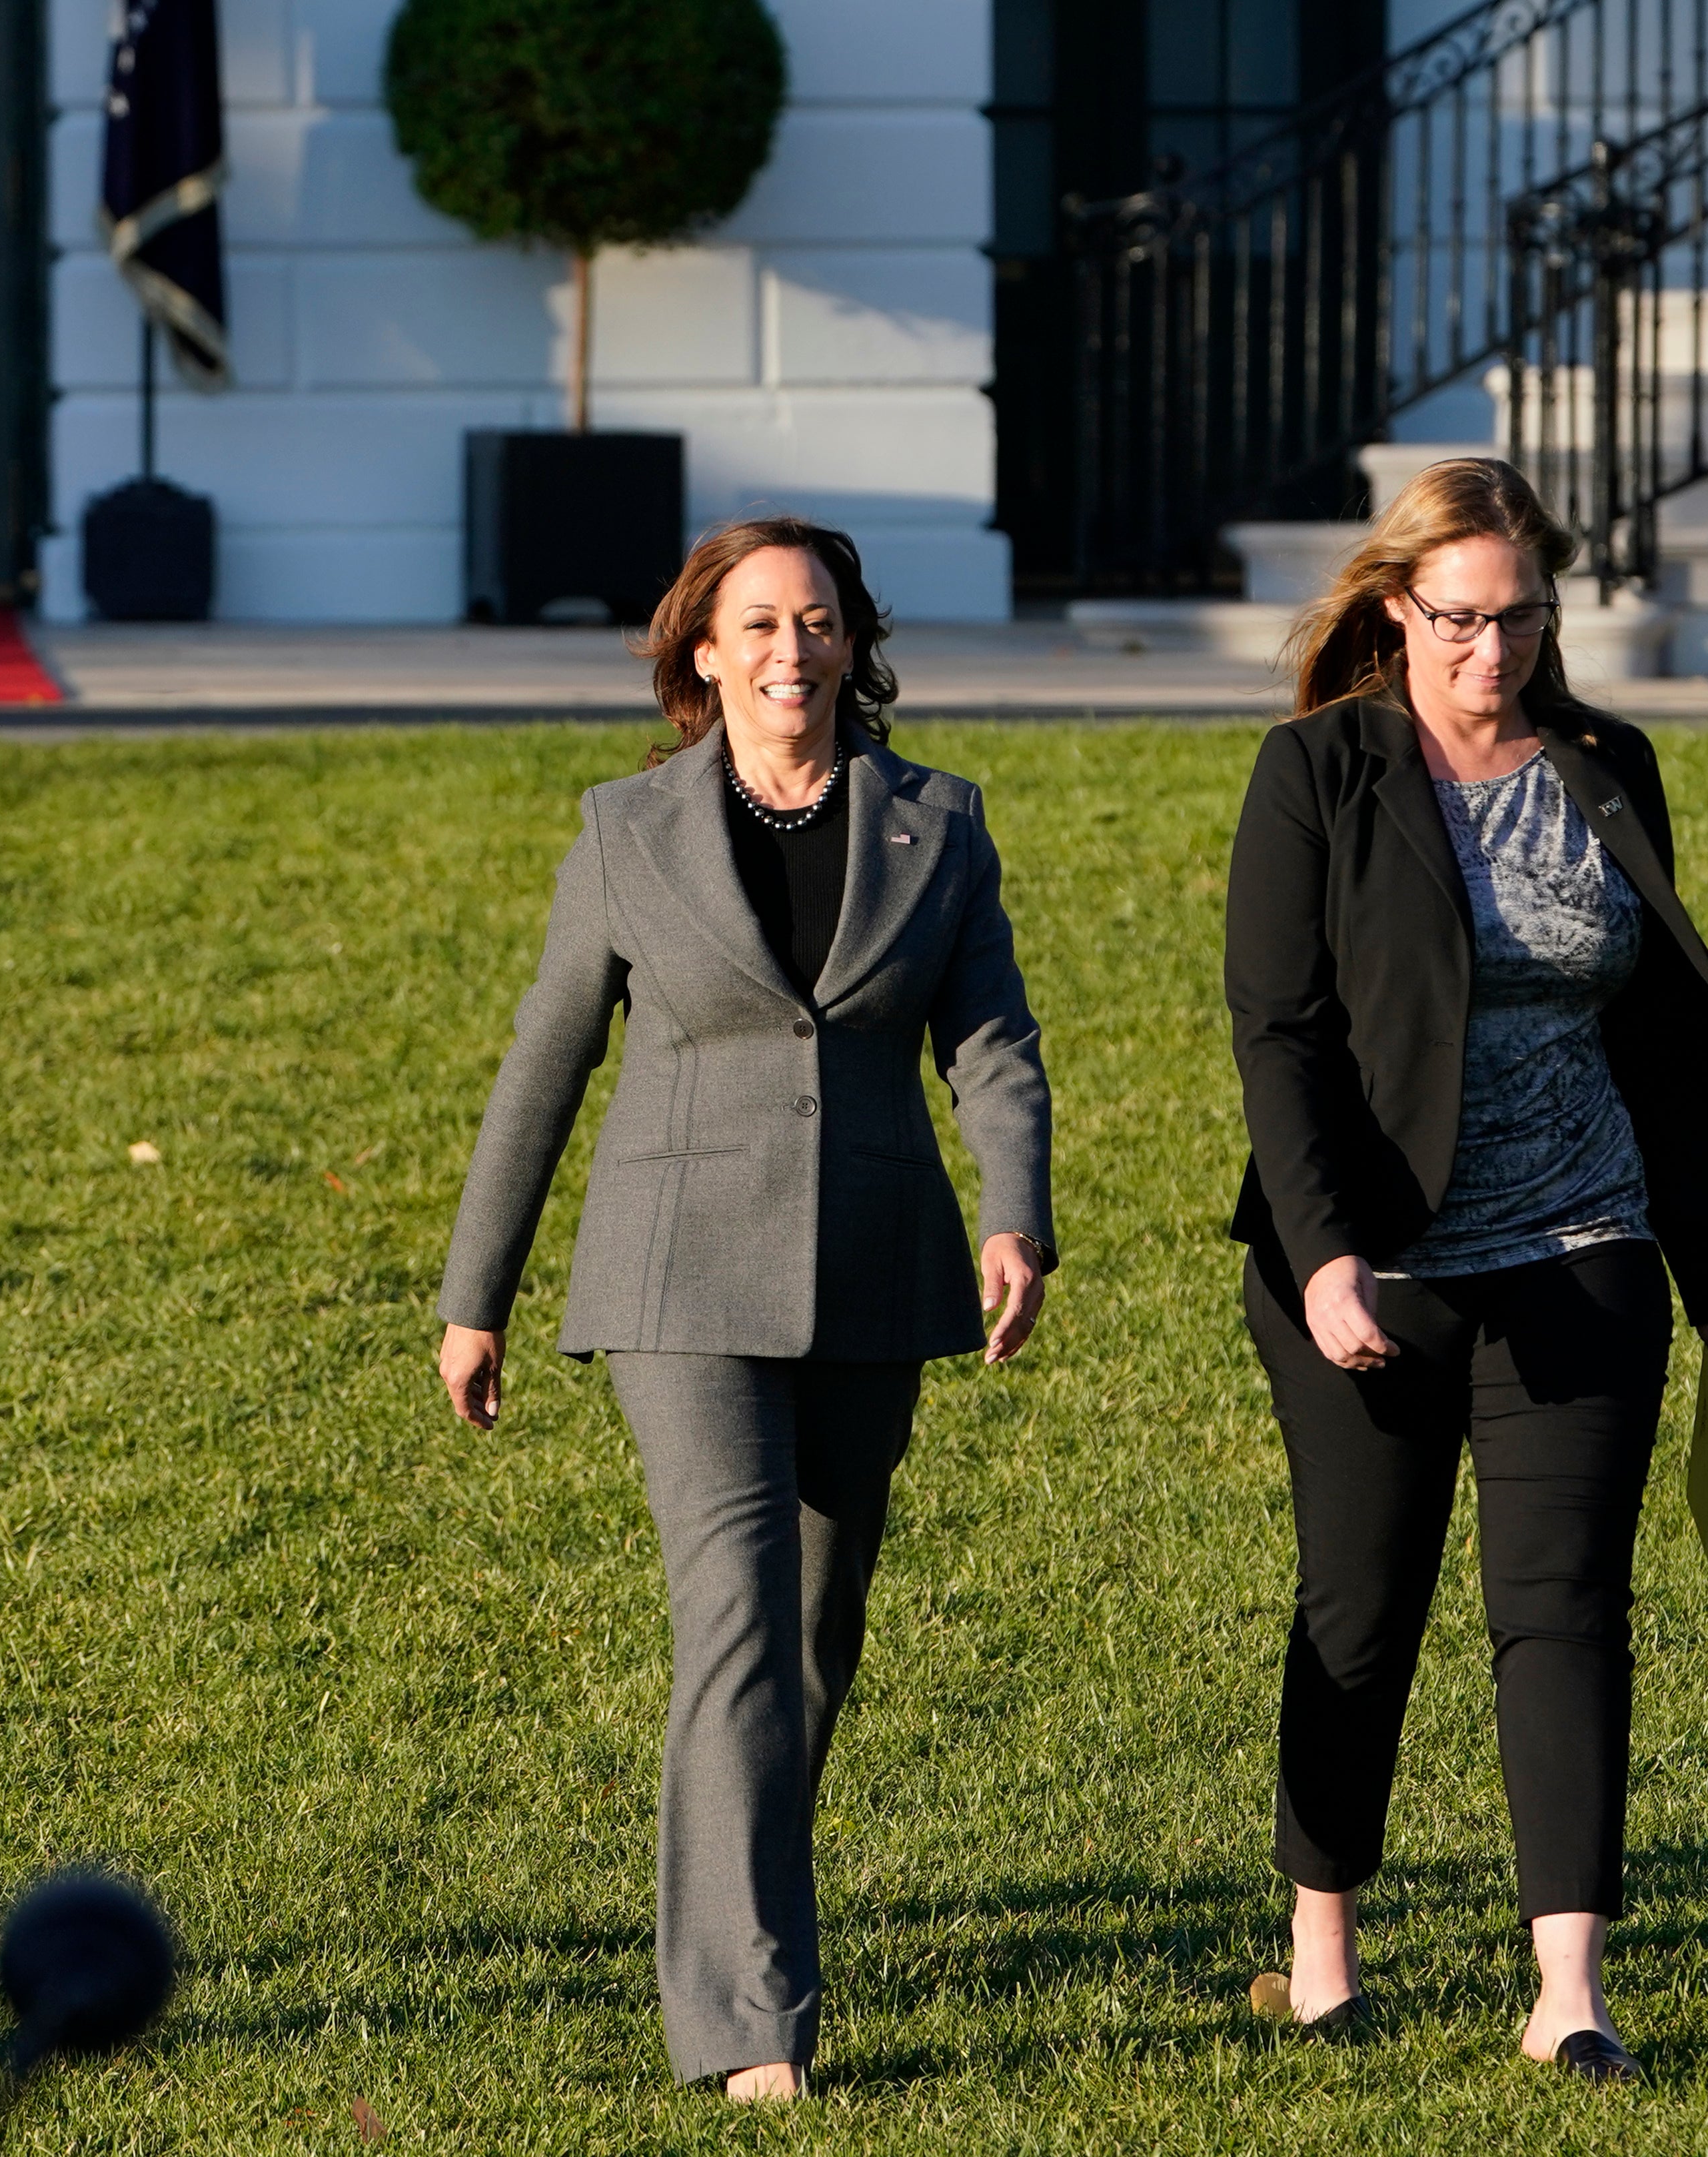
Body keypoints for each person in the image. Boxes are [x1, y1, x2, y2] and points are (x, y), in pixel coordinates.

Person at [435, 518, 1057, 2100]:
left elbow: (989, 1038)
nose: (792, 650)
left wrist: (1014, 1215)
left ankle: (737, 1892)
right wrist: (475, 1293)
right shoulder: (624, 829)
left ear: (854, 644)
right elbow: (545, 1060)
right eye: (758, 623)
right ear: (701, 652)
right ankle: (747, 2017)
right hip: (673, 1278)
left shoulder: (935, 821)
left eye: (819, 621)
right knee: (736, 1617)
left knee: (813, 1632)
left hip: (873, 1268)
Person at [1224, 458, 1708, 2083]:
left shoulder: (1606, 765)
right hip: (1377, 1268)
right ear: (1397, 610)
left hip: (1585, 1242)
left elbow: (1664, 1032)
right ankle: (1321, 1951)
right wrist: (1327, 1254)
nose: (1495, 653)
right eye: (1461, 621)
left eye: (1523, 618)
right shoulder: (1317, 772)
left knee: (1565, 1609)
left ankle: (1568, 1992)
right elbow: (1280, 1037)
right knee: (1363, 1598)